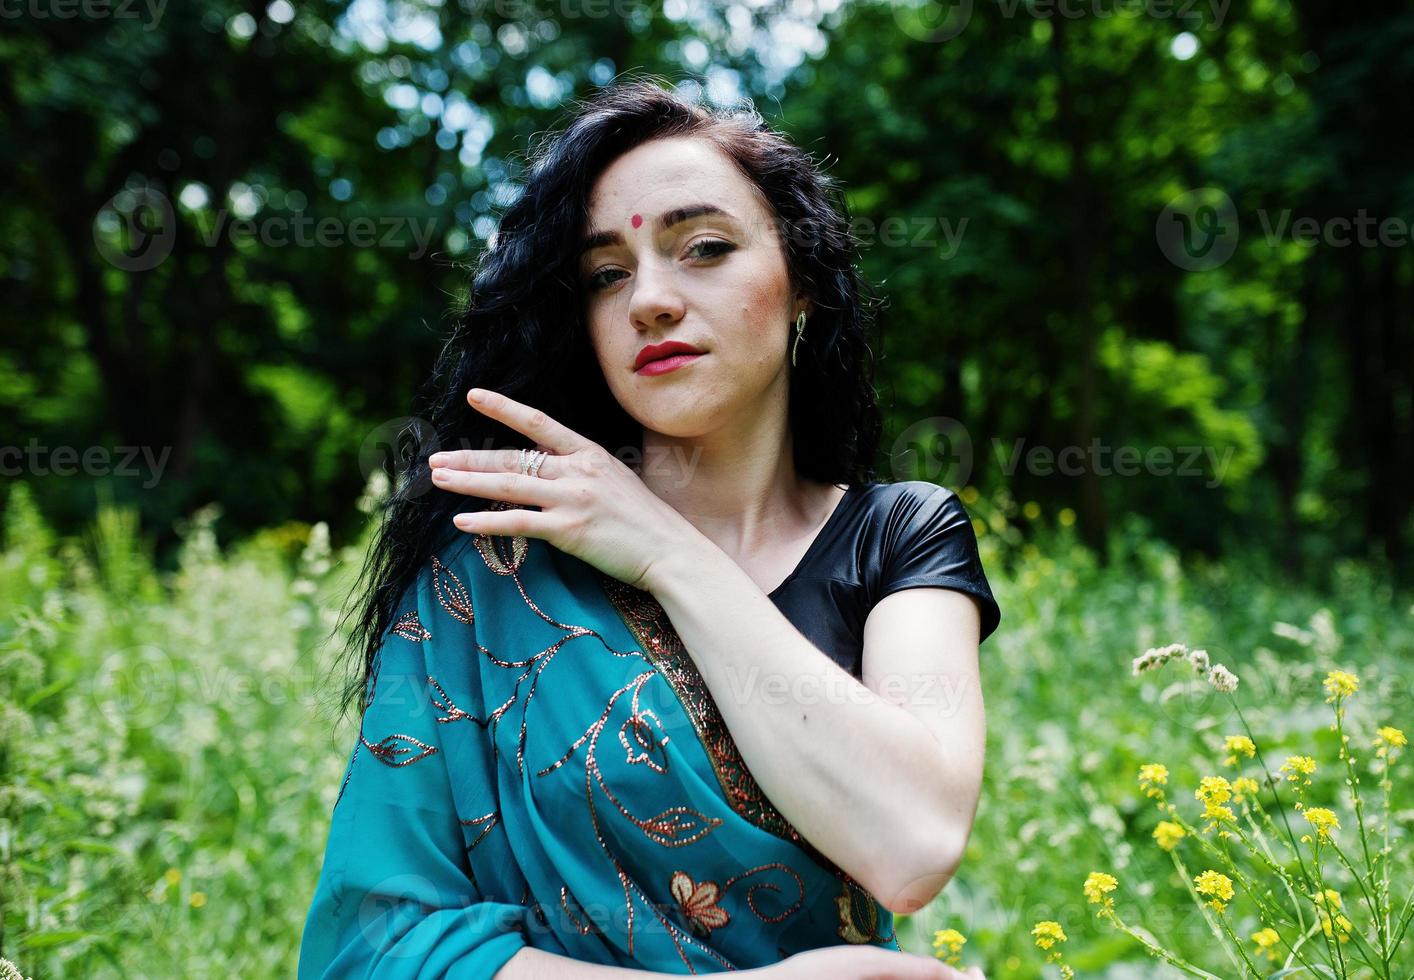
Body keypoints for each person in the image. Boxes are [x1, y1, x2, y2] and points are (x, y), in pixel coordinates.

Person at [299, 75, 1000, 978]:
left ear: (803, 288)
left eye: (703, 247)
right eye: (605, 275)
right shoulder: (495, 558)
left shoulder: (899, 537)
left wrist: (668, 552)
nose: (650, 301)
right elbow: (375, 945)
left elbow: (911, 843)